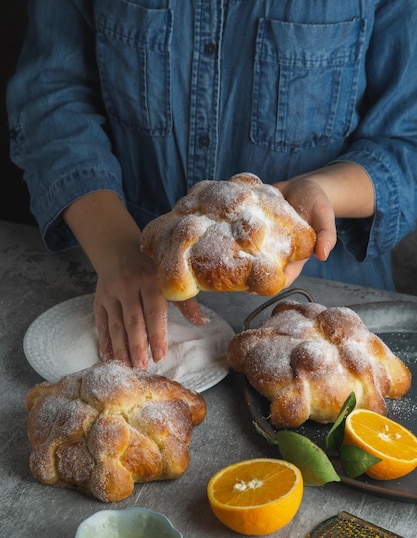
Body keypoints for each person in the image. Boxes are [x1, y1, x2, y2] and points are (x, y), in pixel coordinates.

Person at [7, 1, 417, 370]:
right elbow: (50, 97)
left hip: (328, 323)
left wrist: (322, 190)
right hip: (120, 285)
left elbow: (408, 141)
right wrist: (115, 248)